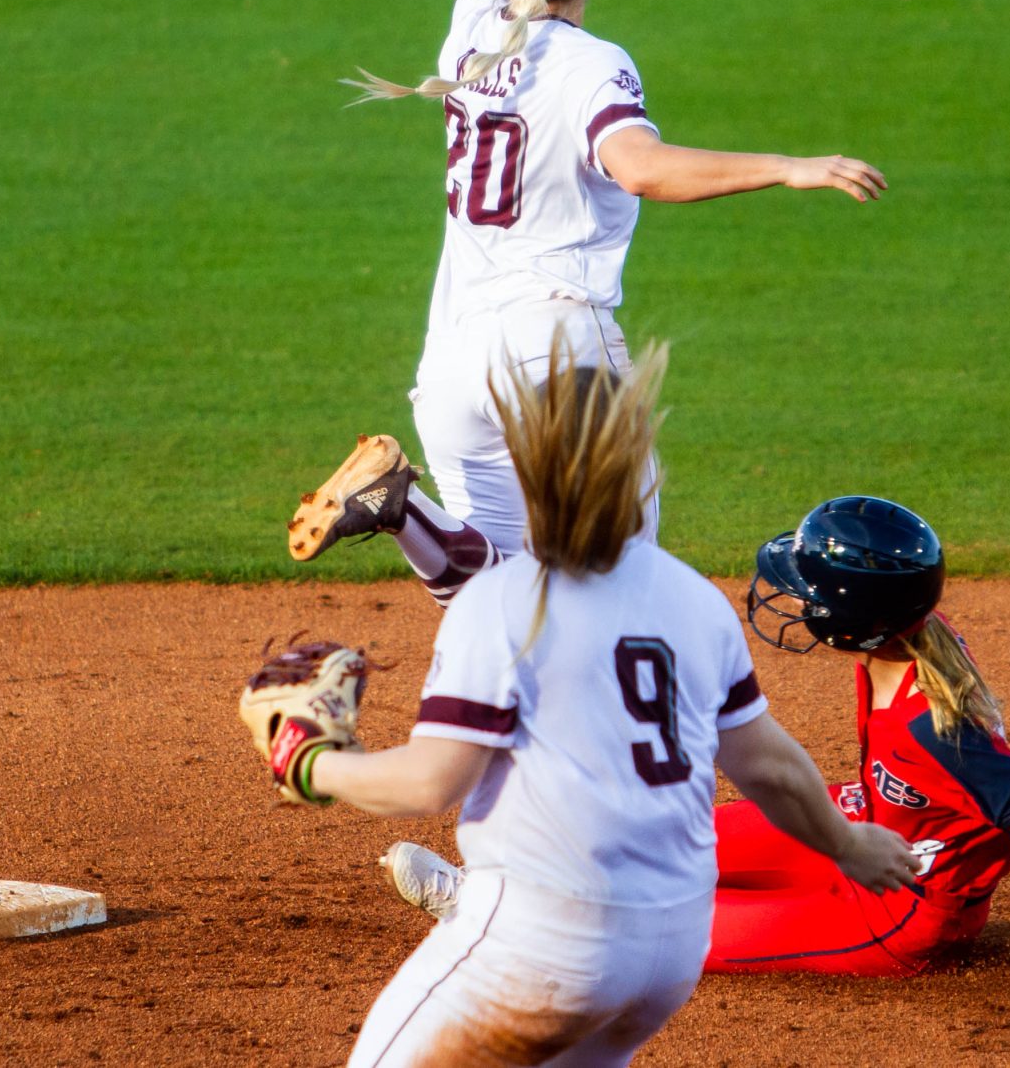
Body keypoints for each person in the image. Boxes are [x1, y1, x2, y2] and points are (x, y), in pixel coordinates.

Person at [287, 0, 887, 600]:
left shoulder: (471, 35)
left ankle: (402, 511)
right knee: (620, 584)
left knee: (493, 600)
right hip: (556, 354)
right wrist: (784, 164)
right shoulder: (591, 61)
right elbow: (639, 165)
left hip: (455, 361)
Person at [267, 341, 920, 1067]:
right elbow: (768, 764)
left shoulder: (501, 602)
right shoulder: (696, 602)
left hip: (548, 946)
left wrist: (310, 761)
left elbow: (430, 781)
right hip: (670, 951)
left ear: (527, 472)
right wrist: (849, 843)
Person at [723, 496, 1010, 1020]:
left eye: (813, 595)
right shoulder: (911, 632)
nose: (801, 600)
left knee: (663, 932)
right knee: (676, 837)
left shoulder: (937, 732)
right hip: (864, 819)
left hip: (897, 909)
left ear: (854, 621)